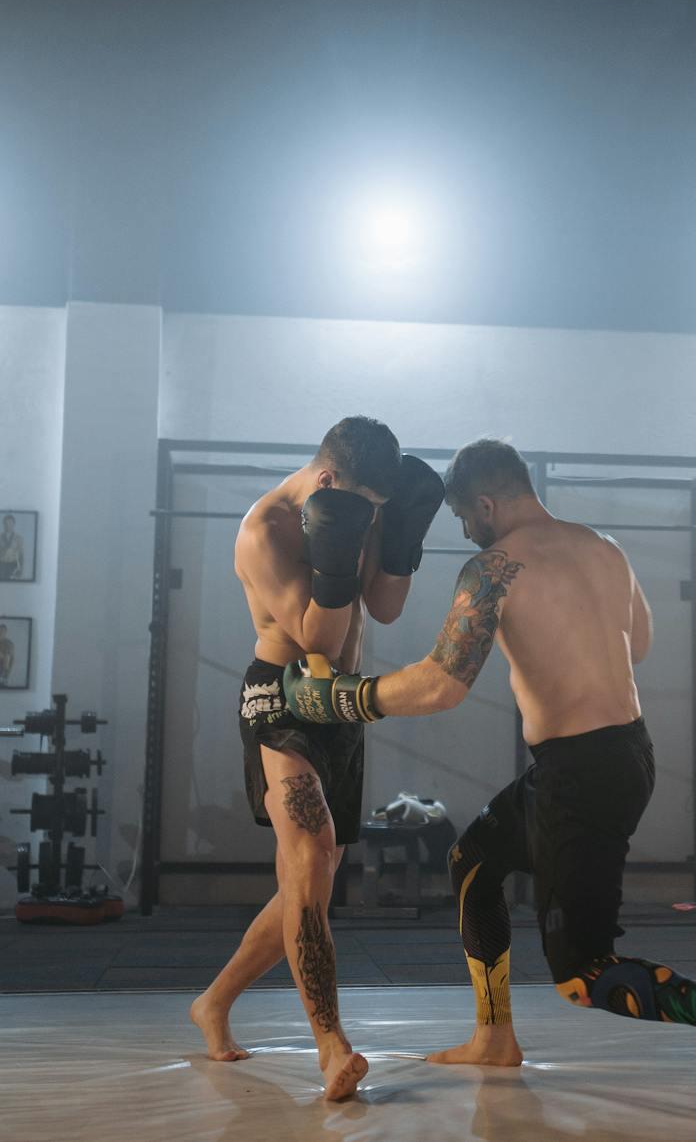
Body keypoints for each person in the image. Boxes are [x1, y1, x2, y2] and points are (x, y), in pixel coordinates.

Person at [277, 438, 696, 1128]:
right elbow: (637, 644)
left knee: (583, 975)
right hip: (619, 757)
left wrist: (341, 697)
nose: (463, 530)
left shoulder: (493, 568)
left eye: (463, 517)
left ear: (485, 504)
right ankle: (494, 1036)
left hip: (582, 776)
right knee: (474, 861)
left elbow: (441, 685)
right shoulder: (603, 548)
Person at [186, 416, 445, 1102]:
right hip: (282, 694)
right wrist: (339, 543)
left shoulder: (362, 504)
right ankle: (331, 1044)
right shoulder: (266, 530)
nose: (370, 521)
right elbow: (316, 637)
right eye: (363, 508)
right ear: (330, 483)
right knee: (310, 850)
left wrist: (399, 540)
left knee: (317, 870)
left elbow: (383, 610)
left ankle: (213, 1001)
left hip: (343, 705)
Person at [0, 514, 25, 581]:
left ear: (14, 524)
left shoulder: (18, 538)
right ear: (4, 524)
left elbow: (21, 555)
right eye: (6, 523)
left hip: (13, 565)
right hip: (1, 565)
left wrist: (20, 569)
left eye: (10, 523)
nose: (8, 525)